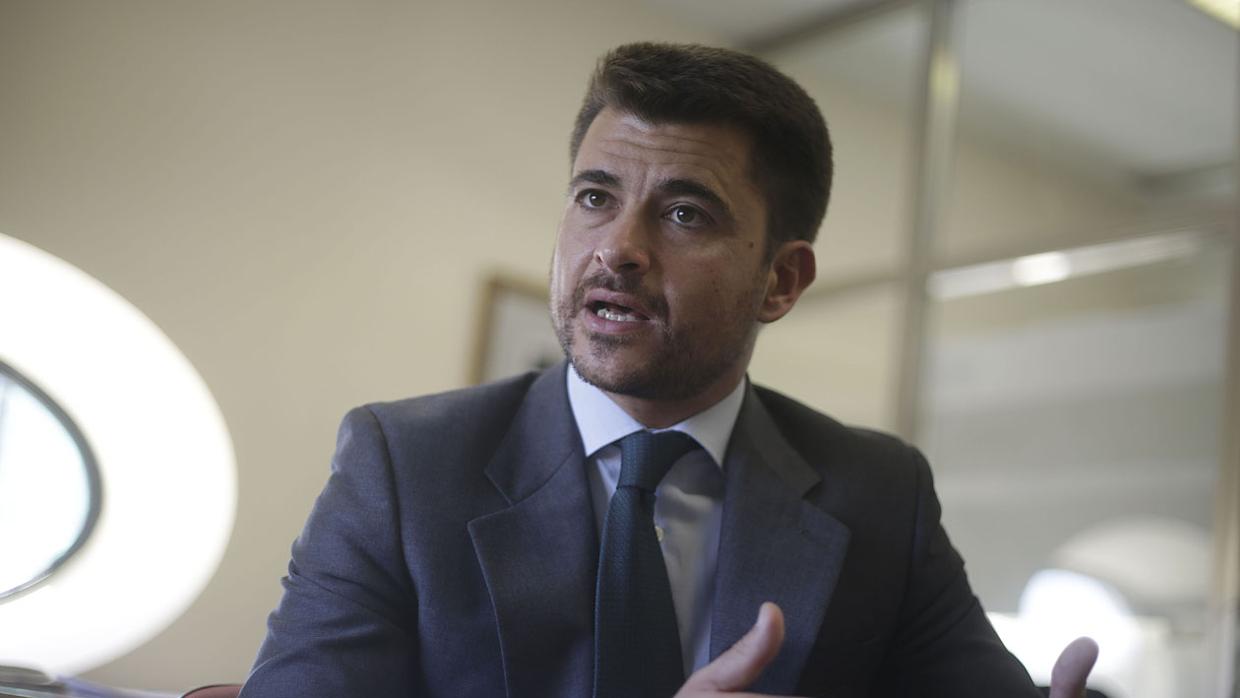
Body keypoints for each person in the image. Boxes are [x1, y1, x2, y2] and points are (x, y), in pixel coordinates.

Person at [240, 43, 1096, 697]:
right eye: (594, 197)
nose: (618, 248)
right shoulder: (404, 466)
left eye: (685, 213)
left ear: (781, 281)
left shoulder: (877, 492)